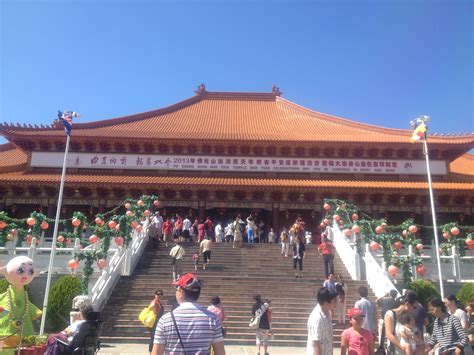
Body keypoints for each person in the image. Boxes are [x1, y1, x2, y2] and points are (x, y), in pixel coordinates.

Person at [151, 273, 225, 355]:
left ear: (181, 291)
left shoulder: (165, 320)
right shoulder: (213, 319)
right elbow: (220, 353)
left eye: (176, 288)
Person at [307, 287, 337, 355]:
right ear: (326, 303)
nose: (335, 304)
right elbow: (315, 344)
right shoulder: (316, 318)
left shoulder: (327, 312)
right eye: (333, 302)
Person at [148, 290, 165, 354]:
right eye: (158, 294)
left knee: (156, 338)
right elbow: (152, 307)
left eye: (161, 294)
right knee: (153, 338)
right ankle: (151, 352)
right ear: (155, 295)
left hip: (159, 322)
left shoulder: (159, 302)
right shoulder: (155, 302)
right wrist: (155, 300)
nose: (159, 296)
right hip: (155, 323)